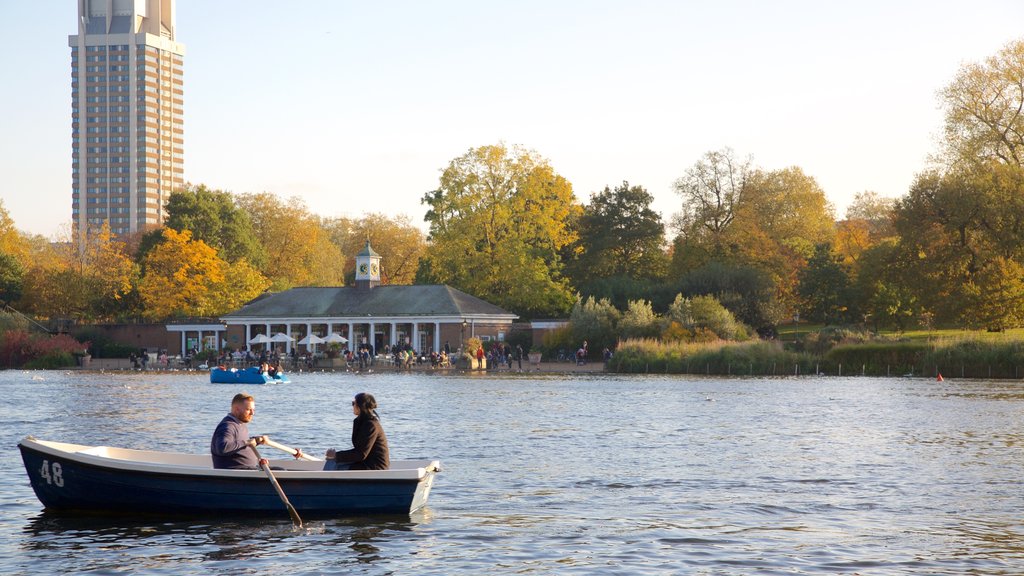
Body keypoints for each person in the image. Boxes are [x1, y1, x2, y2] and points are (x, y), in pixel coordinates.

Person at [324, 392, 390, 470]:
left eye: (353, 403)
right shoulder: (361, 422)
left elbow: (361, 454)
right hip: (365, 462)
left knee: (333, 462)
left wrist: (336, 455)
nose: (352, 406)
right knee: (333, 461)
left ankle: (322, 480)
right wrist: (336, 456)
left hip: (374, 466)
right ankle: (324, 478)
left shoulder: (371, 425)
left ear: (360, 406)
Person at [211, 393, 267, 470]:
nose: (252, 413)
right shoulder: (227, 426)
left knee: (281, 469)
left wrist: (256, 440)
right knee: (281, 471)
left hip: (249, 469)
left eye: (253, 410)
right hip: (235, 472)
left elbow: (239, 444)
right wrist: (247, 442)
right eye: (248, 409)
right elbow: (222, 448)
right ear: (236, 409)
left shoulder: (240, 424)